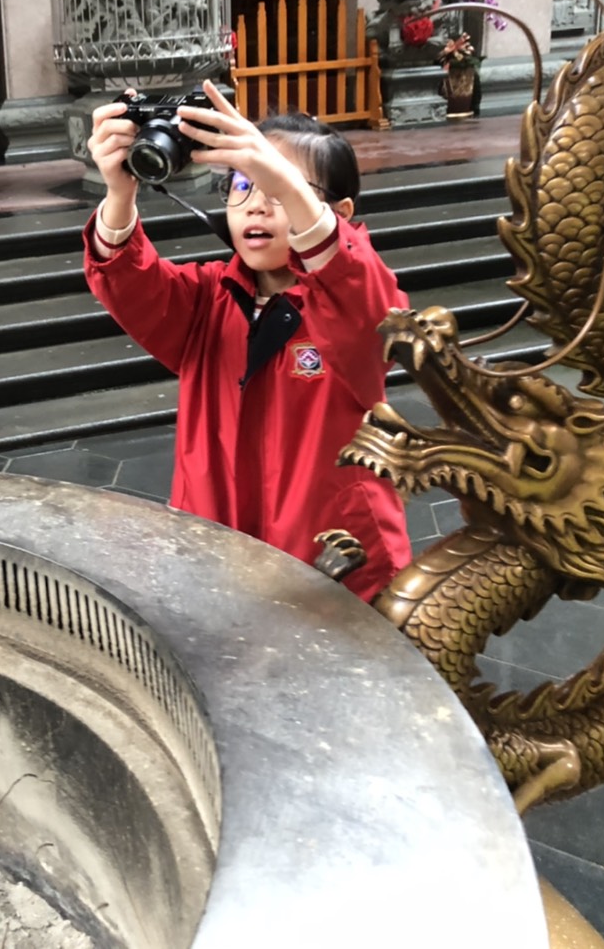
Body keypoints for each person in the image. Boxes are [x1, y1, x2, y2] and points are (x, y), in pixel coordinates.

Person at [83, 79, 411, 602]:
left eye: (278, 188)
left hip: (335, 570)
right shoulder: (207, 299)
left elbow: (364, 294)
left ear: (340, 214)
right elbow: (125, 277)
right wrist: (120, 193)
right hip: (217, 558)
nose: (256, 205)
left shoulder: (355, 303)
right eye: (242, 185)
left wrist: (280, 180)